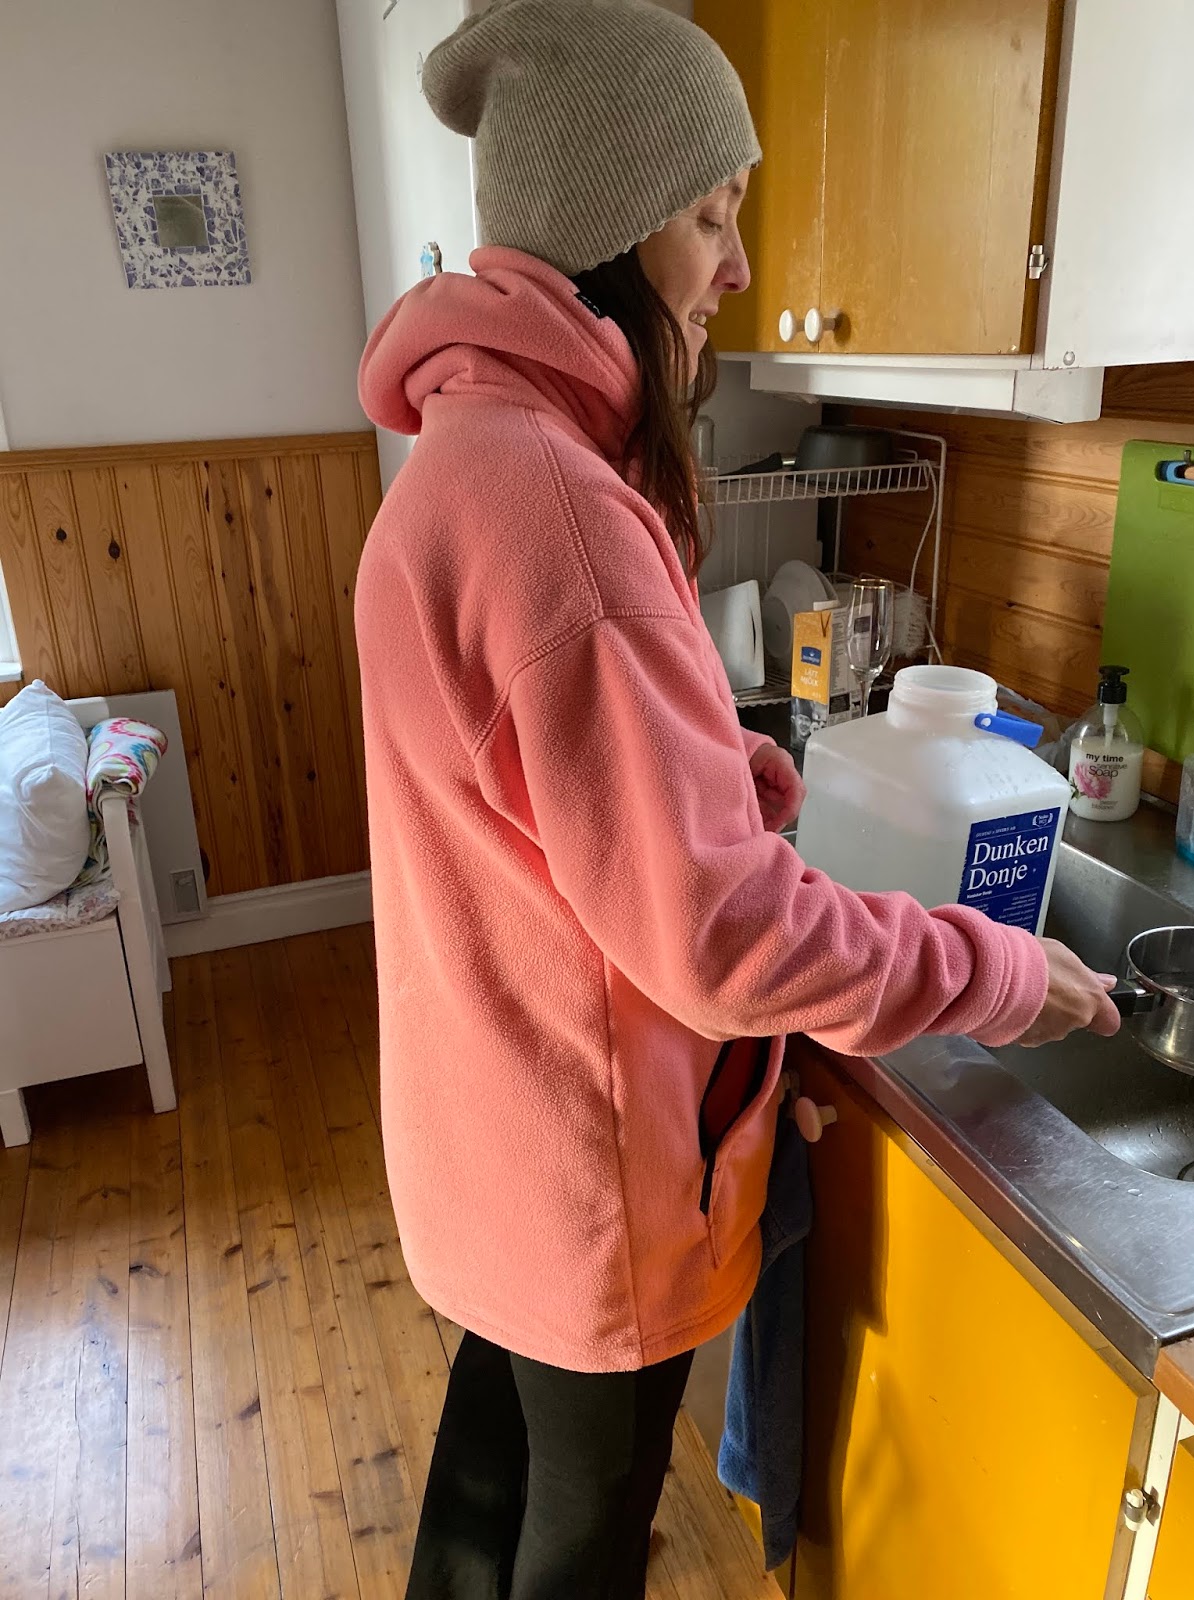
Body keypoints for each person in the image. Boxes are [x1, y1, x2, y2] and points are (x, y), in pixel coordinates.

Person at [353, 3, 1121, 1595]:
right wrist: (992, 968)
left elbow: (526, 820)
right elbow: (724, 942)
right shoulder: (565, 516)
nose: (741, 264)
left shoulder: (466, 462)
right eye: (712, 216)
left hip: (492, 1148)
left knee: (487, 1503)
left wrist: (724, 772)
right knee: (578, 1543)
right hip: (588, 1174)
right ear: (614, 227)